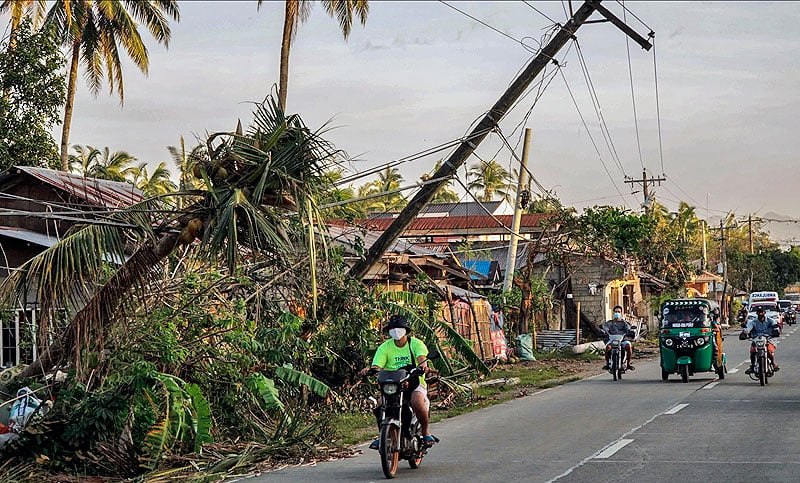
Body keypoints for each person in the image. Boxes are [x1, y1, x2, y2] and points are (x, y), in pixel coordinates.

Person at [358, 314, 437, 449]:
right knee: (380, 405)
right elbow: (377, 365)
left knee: (417, 401)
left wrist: (422, 366)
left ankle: (425, 433)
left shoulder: (416, 344)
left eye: (399, 328)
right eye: (393, 328)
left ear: (405, 330)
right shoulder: (384, 347)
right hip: (393, 384)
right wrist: (371, 370)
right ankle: (382, 435)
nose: (396, 331)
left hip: (414, 382)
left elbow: (421, 358)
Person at [742, 306, 780, 373]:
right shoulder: (753, 322)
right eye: (759, 312)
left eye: (761, 312)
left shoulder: (770, 320)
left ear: (764, 312)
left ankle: (773, 363)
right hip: (757, 339)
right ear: (756, 313)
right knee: (753, 351)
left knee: (769, 350)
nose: (760, 314)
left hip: (769, 338)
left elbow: (775, 326)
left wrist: (775, 331)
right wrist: (744, 333)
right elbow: (748, 328)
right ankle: (753, 366)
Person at [600, 305, 635, 371]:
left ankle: (628, 364)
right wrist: (604, 331)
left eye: (618, 312)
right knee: (608, 348)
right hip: (612, 340)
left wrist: (630, 332)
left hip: (622, 340)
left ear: (621, 313)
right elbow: (605, 328)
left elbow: (629, 329)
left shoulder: (625, 323)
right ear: (613, 313)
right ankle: (607, 364)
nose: (617, 313)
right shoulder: (609, 323)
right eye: (616, 312)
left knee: (628, 346)